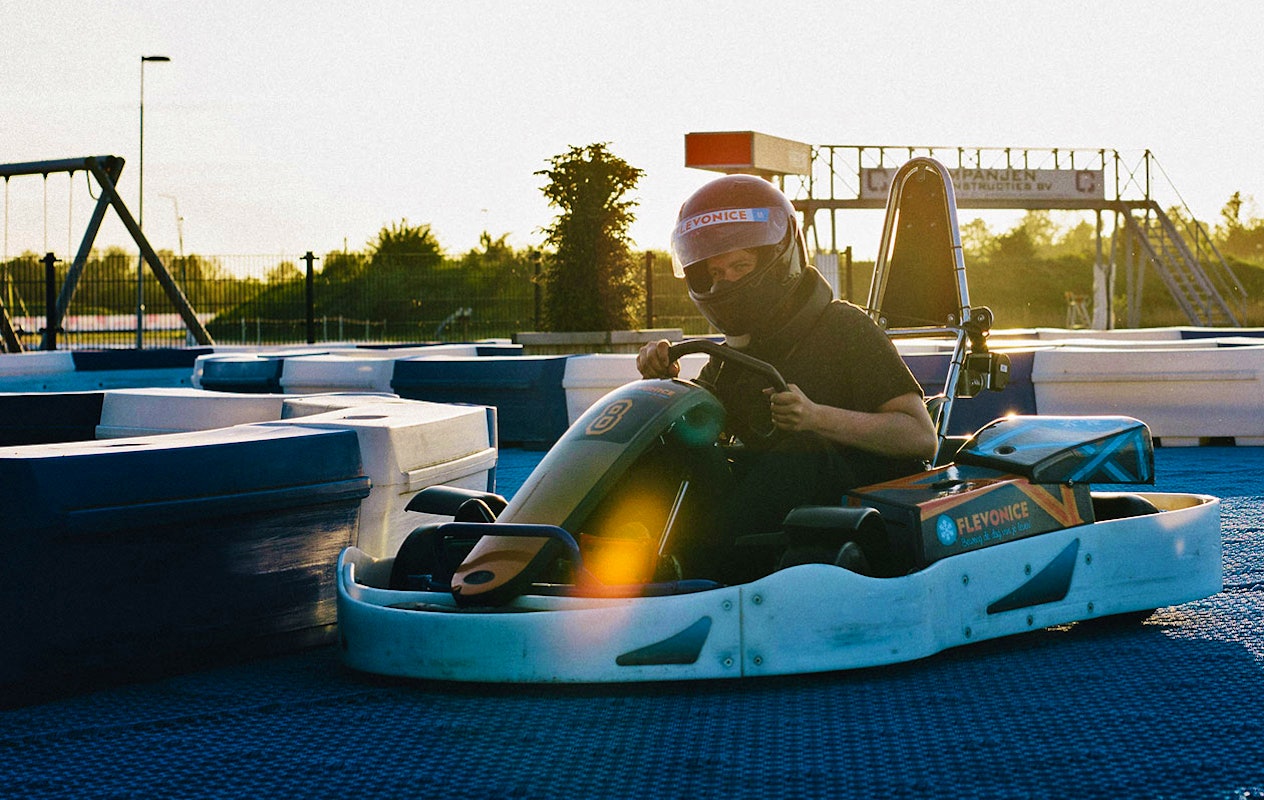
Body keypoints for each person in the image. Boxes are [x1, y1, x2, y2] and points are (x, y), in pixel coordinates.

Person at [636, 174, 937, 582]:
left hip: (853, 503)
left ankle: (697, 563)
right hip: (768, 517)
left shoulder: (846, 327)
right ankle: (606, 545)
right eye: (717, 272)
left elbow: (920, 435)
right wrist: (664, 381)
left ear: (778, 259)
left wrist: (816, 417)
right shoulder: (732, 353)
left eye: (740, 266)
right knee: (674, 445)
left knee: (799, 447)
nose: (728, 281)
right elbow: (700, 430)